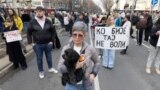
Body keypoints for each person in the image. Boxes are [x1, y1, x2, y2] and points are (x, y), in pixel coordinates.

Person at [58, 21, 100, 90]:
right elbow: (60, 67)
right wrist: (75, 66)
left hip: (85, 85)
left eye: (80, 35)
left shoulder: (89, 49)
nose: (77, 37)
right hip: (70, 84)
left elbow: (97, 62)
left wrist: (93, 73)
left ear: (84, 35)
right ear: (72, 34)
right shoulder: (66, 48)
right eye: (75, 34)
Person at [27, 6, 58, 79]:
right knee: (39, 59)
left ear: (43, 12)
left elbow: (53, 31)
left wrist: (52, 41)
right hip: (37, 44)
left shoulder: (48, 21)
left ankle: (50, 68)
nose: (39, 13)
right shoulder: (32, 22)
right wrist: (31, 42)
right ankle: (41, 71)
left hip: (48, 44)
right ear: (35, 12)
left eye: (40, 11)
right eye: (37, 11)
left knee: (49, 57)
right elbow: (28, 33)